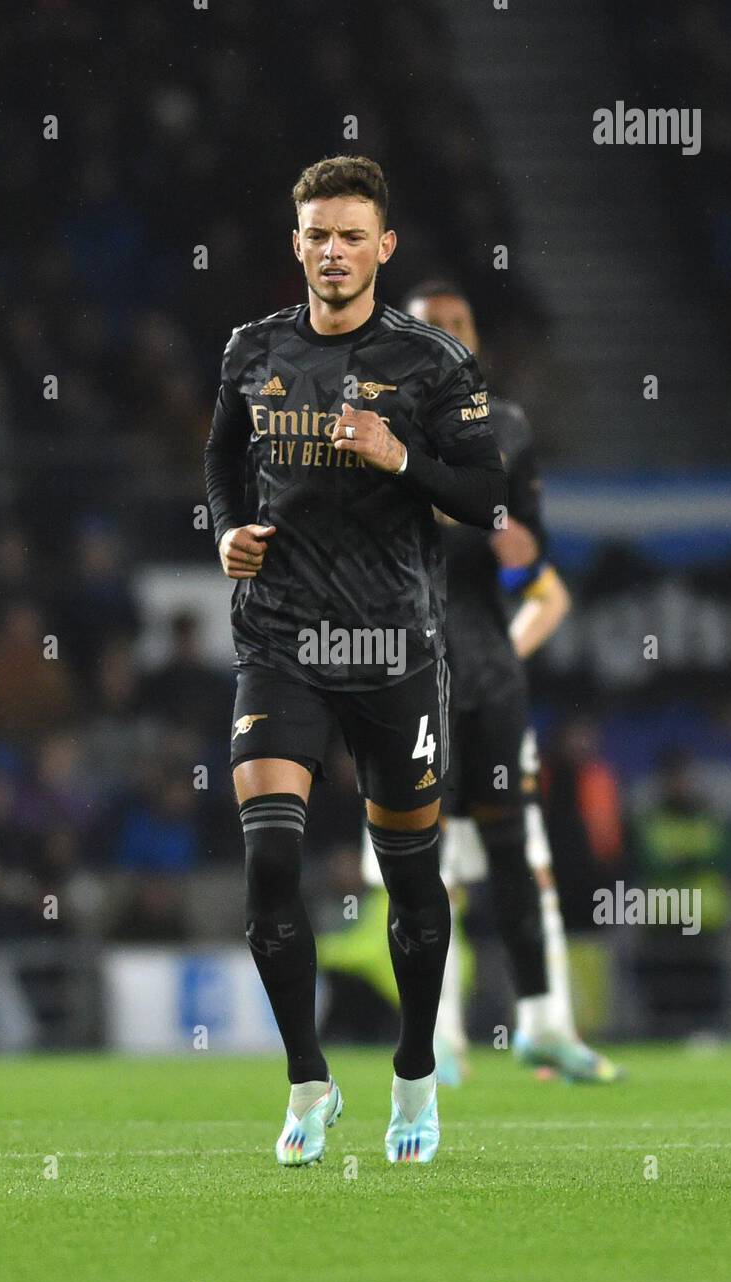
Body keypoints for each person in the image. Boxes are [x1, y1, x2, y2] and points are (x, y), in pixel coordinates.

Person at [203, 156, 522, 1165]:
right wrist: (227, 532)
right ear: (295, 244)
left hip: (392, 647)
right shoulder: (252, 349)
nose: (332, 252)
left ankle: (416, 1073)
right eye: (316, 235)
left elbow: (485, 496)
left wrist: (403, 462)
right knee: (270, 862)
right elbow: (222, 455)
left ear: (382, 247)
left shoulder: (432, 363)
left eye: (351, 235)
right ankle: (307, 1082)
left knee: (411, 877)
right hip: (281, 641)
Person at [362, 282, 622, 1084]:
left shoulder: (504, 430)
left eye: (457, 326)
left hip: (486, 677)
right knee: (424, 869)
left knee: (517, 858)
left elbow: (536, 564)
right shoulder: (369, 432)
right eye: (428, 326)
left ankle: (543, 1024)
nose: (444, 338)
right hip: (406, 683)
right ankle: (438, 1041)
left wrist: (507, 558)